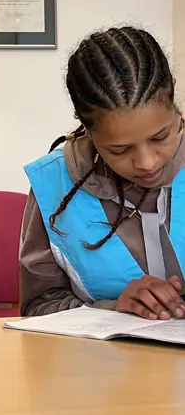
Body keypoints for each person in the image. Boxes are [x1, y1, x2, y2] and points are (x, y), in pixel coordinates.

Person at [21, 26, 185, 322]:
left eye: (160, 136)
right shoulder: (54, 185)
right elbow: (37, 309)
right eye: (120, 150)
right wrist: (111, 308)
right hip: (103, 366)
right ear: (87, 129)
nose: (147, 163)